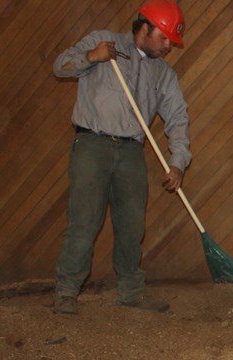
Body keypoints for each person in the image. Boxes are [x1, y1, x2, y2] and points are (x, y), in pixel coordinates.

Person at [50, 1, 191, 315]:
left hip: (131, 152)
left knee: (131, 225)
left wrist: (178, 160)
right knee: (84, 221)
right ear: (144, 28)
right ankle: (66, 292)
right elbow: (60, 66)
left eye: (171, 41)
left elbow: (177, 117)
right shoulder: (103, 41)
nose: (168, 46)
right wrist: (91, 57)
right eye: (164, 38)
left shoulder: (163, 73)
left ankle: (131, 292)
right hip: (92, 146)